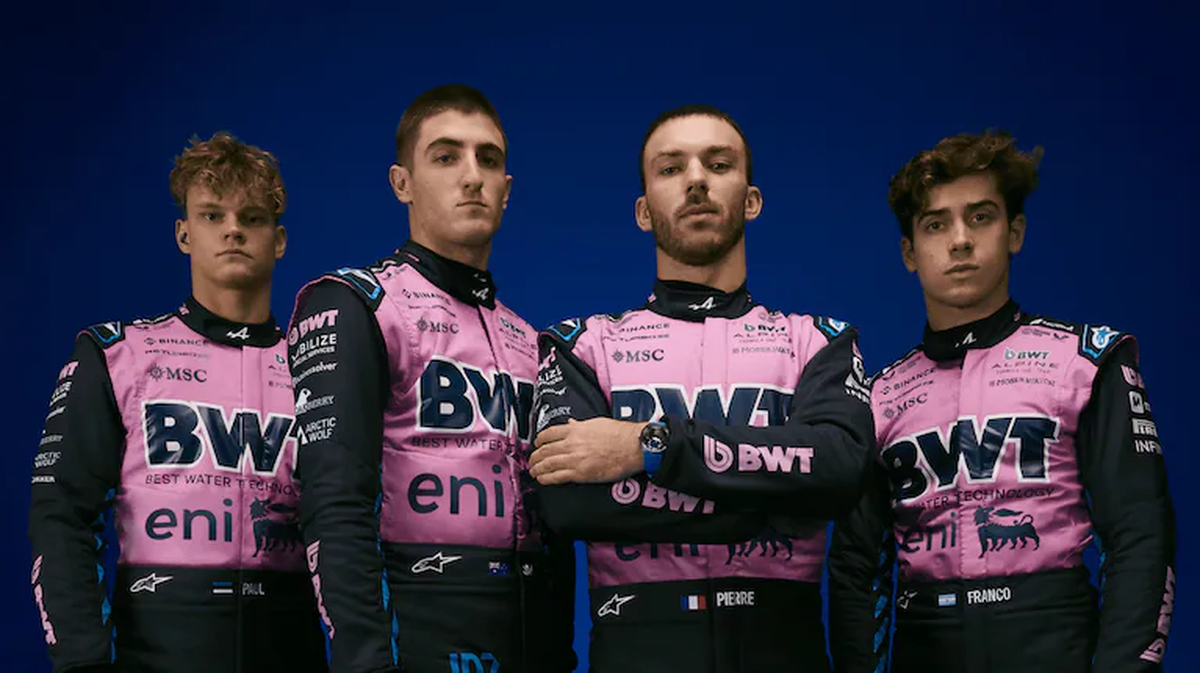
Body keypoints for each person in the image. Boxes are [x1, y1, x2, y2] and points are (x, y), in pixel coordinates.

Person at [528, 105, 875, 673]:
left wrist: (650, 447)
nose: (695, 180)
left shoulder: (819, 342)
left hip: (784, 651)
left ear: (751, 200)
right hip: (637, 650)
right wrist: (771, 500)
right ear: (644, 212)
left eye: (718, 164)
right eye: (671, 169)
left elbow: (840, 468)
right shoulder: (581, 346)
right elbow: (567, 504)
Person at [828, 131, 1177, 673]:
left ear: (1015, 232)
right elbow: (855, 570)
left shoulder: (1086, 362)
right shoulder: (876, 398)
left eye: (981, 217)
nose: (960, 241)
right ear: (909, 252)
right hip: (925, 645)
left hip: (1056, 643)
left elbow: (1140, 535)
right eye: (935, 224)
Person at [289, 84, 575, 673]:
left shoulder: (530, 340)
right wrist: (367, 661)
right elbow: (333, 501)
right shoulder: (356, 303)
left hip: (530, 640)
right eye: (446, 157)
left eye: (487, 160)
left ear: (506, 189)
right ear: (403, 182)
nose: (471, 176)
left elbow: (555, 516)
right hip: (414, 635)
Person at [28, 132, 326, 672]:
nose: (233, 229)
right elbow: (61, 515)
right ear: (183, 233)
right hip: (157, 650)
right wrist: (83, 662)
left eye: (252, 217)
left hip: (291, 648)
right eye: (212, 215)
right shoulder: (117, 354)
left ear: (279, 239)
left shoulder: (320, 368)